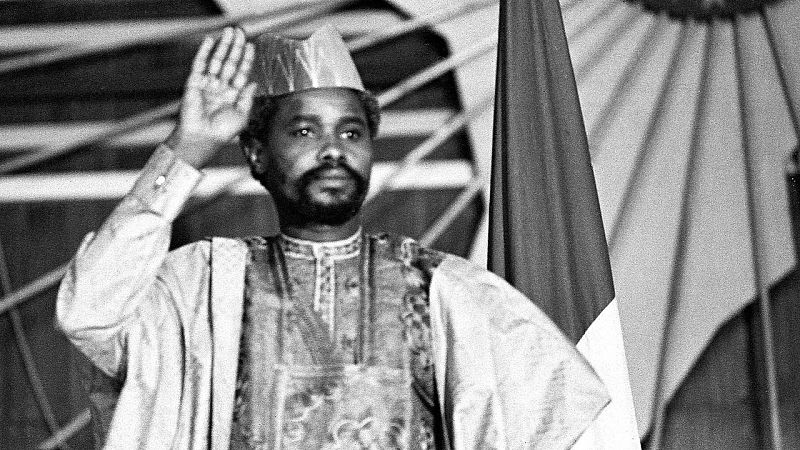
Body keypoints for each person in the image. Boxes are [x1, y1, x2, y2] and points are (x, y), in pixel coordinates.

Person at [57, 25, 609, 449]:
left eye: (351, 132)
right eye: (305, 130)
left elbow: (565, 413)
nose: (333, 150)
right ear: (257, 154)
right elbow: (89, 313)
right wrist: (189, 147)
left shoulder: (443, 289)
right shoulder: (203, 286)